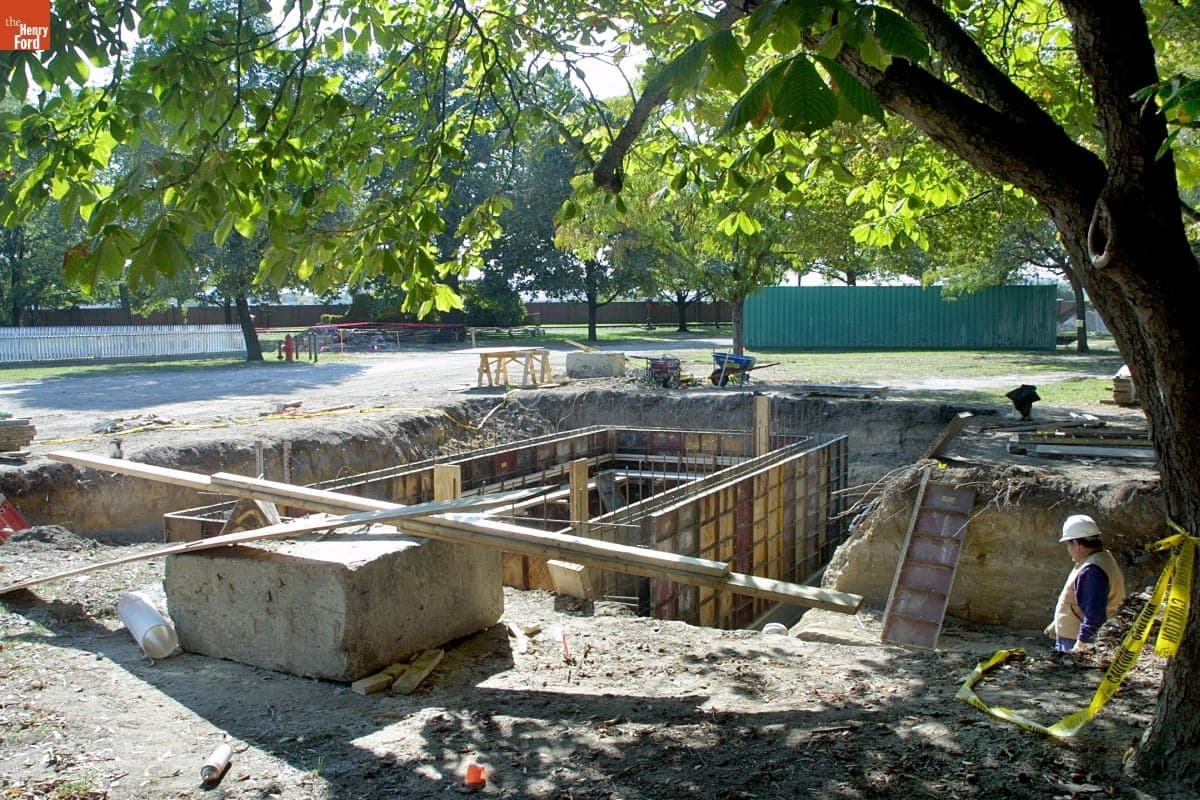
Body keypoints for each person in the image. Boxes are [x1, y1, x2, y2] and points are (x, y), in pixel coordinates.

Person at [1045, 514, 1126, 653]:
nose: (1068, 549)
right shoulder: (1100, 559)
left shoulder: (1091, 570)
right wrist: (1058, 623)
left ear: (1076, 544)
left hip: (1075, 640)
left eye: (1068, 544)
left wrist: (1081, 646)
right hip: (1073, 636)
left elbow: (1094, 615)